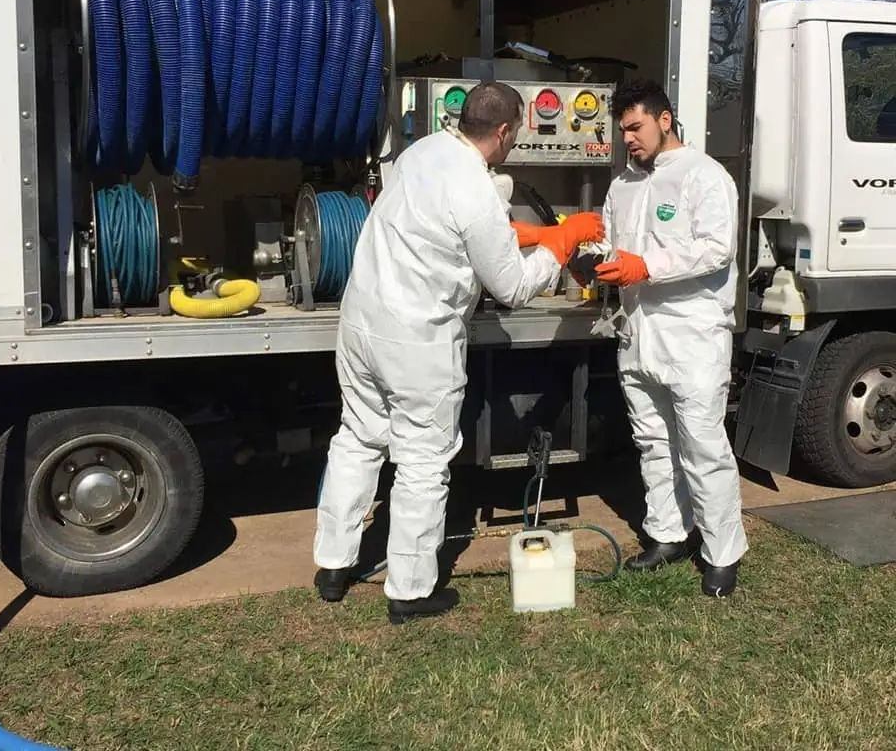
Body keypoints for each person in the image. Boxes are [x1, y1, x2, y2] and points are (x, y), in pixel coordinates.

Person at [312, 82, 605, 624]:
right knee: (423, 462)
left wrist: (533, 232)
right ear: (503, 131)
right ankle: (410, 591)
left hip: (361, 325)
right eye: (517, 131)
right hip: (416, 338)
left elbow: (451, 229)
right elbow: (514, 287)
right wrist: (561, 244)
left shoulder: (423, 151)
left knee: (357, 439)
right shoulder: (474, 186)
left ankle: (333, 565)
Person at [593, 79, 747, 597]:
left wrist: (646, 266)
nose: (628, 140)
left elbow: (715, 249)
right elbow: (612, 246)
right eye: (622, 132)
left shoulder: (705, 176)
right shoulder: (623, 184)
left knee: (703, 445)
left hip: (692, 334)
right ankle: (667, 534)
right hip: (638, 334)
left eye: (635, 128)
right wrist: (590, 258)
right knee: (653, 441)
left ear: (664, 120)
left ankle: (722, 552)